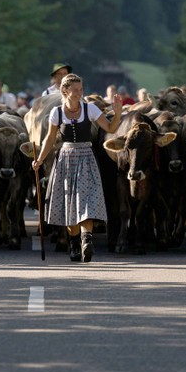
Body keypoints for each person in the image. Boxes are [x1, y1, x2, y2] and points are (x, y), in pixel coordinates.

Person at [32, 73, 122, 262]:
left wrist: (118, 112)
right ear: (65, 91)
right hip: (65, 158)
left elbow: (111, 129)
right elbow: (49, 138)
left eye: (81, 89)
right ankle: (74, 245)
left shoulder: (90, 109)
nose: (79, 93)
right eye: (75, 90)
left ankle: (86, 241)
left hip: (86, 157)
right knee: (69, 205)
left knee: (86, 201)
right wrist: (39, 159)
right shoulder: (57, 112)